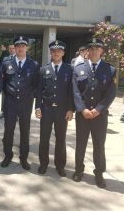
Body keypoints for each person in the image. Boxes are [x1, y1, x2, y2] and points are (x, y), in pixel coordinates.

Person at [72, 38, 116, 189]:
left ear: (102, 51)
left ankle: (99, 173)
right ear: (87, 51)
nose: (94, 51)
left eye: (98, 48)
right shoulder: (78, 68)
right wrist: (82, 108)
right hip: (83, 114)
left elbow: (111, 93)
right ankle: (78, 170)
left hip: (100, 116)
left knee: (99, 145)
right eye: (91, 48)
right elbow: (75, 91)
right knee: (80, 144)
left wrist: (99, 109)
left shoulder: (110, 70)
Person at [35, 40, 74, 177]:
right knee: (44, 138)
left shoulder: (70, 69)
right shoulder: (43, 69)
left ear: (63, 53)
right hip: (46, 109)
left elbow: (71, 91)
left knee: (61, 139)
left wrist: (71, 109)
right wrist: (37, 107)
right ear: (50, 52)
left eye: (59, 51)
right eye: (53, 51)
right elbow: (39, 90)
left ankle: (60, 165)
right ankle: (43, 164)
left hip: (62, 110)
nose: (56, 53)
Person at [1, 36, 39, 170]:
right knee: (8, 131)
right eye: (18, 46)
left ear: (27, 47)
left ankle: (24, 158)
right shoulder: (6, 63)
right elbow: (3, 82)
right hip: (10, 103)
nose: (20, 48)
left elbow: (36, 85)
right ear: (15, 48)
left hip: (25, 104)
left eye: (23, 46)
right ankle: (7, 156)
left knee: (25, 131)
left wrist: (29, 98)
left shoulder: (34, 65)